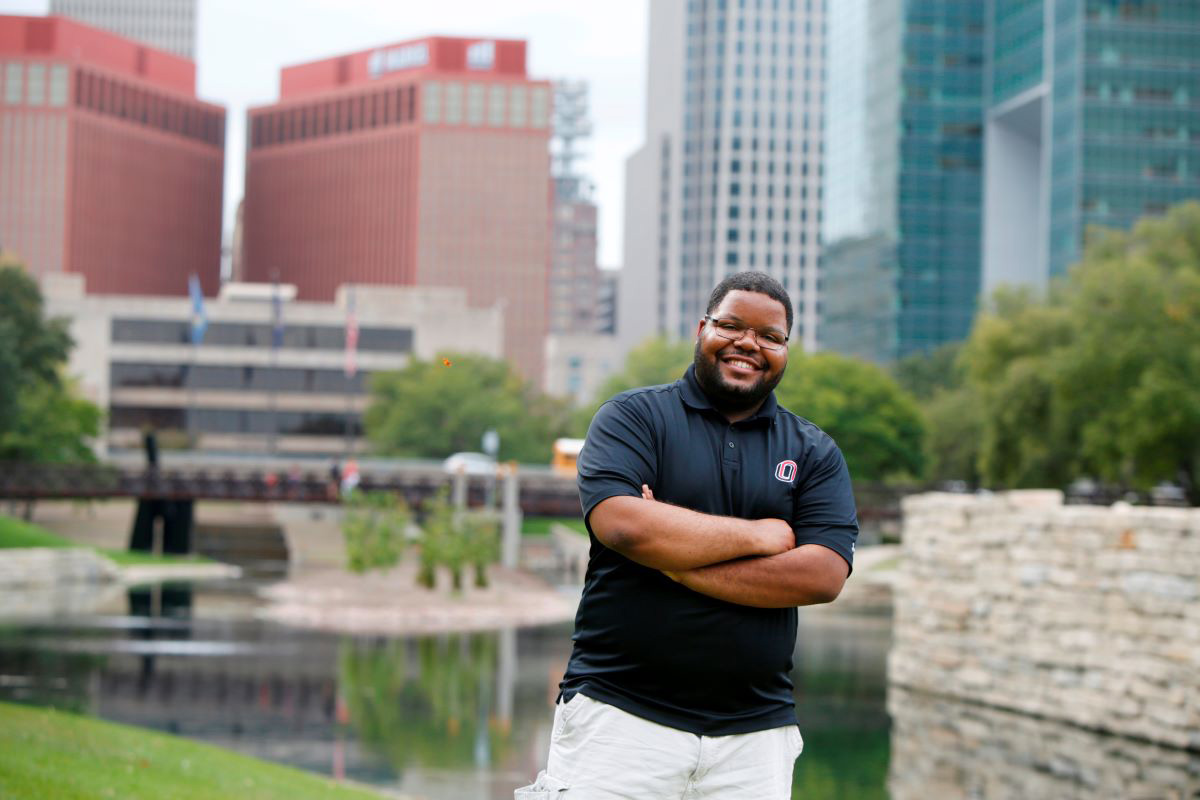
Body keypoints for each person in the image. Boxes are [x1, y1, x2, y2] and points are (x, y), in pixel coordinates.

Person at [522, 271, 858, 799]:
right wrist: (763, 535)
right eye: (732, 326)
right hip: (619, 720)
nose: (749, 343)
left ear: (786, 350)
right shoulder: (632, 418)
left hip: (755, 740)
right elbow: (625, 526)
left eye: (770, 336)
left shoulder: (814, 451)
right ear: (703, 328)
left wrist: (674, 560)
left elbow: (822, 575)